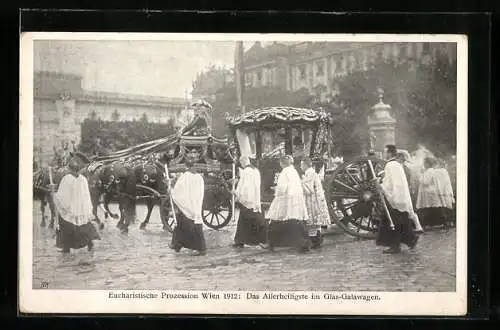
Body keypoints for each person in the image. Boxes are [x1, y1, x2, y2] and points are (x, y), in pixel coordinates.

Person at [51, 152, 101, 262]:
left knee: (65, 225)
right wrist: (87, 210)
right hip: (81, 210)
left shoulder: (67, 179)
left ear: (71, 167)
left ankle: (66, 247)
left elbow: (62, 197)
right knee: (83, 226)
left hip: (70, 210)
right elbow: (86, 197)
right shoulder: (83, 179)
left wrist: (54, 194)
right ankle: (89, 244)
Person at [375, 145, 419, 254]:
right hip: (399, 197)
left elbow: (392, 184)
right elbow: (392, 181)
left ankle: (395, 245)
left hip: (395, 198)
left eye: (385, 152)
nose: (384, 154)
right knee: (401, 220)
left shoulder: (391, 165)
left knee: (393, 222)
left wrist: (380, 185)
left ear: (390, 153)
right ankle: (410, 239)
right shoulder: (396, 165)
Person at [266, 155, 311, 253]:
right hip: (296, 200)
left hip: (286, 200)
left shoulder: (284, 172)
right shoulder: (294, 171)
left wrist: (275, 189)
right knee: (296, 221)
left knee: (275, 220)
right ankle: (304, 243)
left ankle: (271, 243)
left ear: (282, 164)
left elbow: (282, 188)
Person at [168, 152, 206, 256]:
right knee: (183, 224)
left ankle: (201, 248)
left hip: (187, 205)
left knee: (184, 223)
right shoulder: (199, 177)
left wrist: (170, 190)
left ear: (186, 166)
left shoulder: (185, 176)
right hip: (196, 204)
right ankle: (177, 244)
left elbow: (178, 191)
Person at [232, 155, 268, 249]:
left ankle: (262, 240)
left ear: (242, 162)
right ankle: (240, 241)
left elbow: (245, 186)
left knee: (253, 219)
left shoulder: (246, 172)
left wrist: (237, 194)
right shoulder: (256, 170)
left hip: (247, 199)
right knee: (243, 219)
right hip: (255, 198)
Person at [300, 157, 330, 248]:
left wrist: (301, 182)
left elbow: (309, 190)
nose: (301, 167)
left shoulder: (309, 174)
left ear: (305, 165)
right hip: (317, 199)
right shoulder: (312, 173)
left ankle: (315, 241)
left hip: (313, 200)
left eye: (301, 165)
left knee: (312, 222)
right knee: (316, 223)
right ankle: (318, 239)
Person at [416, 157, 452, 228]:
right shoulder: (431, 171)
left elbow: (425, 181)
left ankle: (435, 223)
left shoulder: (429, 171)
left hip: (429, 192)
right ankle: (438, 223)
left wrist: (420, 175)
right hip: (430, 192)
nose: (424, 164)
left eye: (425, 163)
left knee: (431, 208)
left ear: (428, 164)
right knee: (433, 207)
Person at [396, 150, 424, 234]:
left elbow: (409, 180)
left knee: (407, 209)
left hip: (402, 191)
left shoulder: (404, 168)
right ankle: (417, 226)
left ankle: (416, 227)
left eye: (398, 157)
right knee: (408, 210)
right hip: (403, 190)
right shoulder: (405, 167)